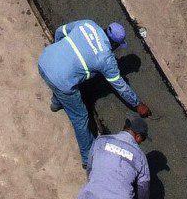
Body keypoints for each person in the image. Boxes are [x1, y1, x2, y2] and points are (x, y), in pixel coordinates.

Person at [36, 16, 147, 167]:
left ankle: (56, 104)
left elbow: (60, 31)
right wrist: (137, 104)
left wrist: (60, 54)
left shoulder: (88, 25)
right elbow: (120, 86)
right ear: (115, 44)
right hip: (60, 81)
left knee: (65, 78)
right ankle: (88, 159)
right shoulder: (107, 59)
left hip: (44, 59)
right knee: (81, 117)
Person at [77, 116, 150, 199]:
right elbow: (143, 189)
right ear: (138, 136)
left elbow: (90, 168)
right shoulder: (140, 157)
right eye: (143, 139)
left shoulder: (100, 141)